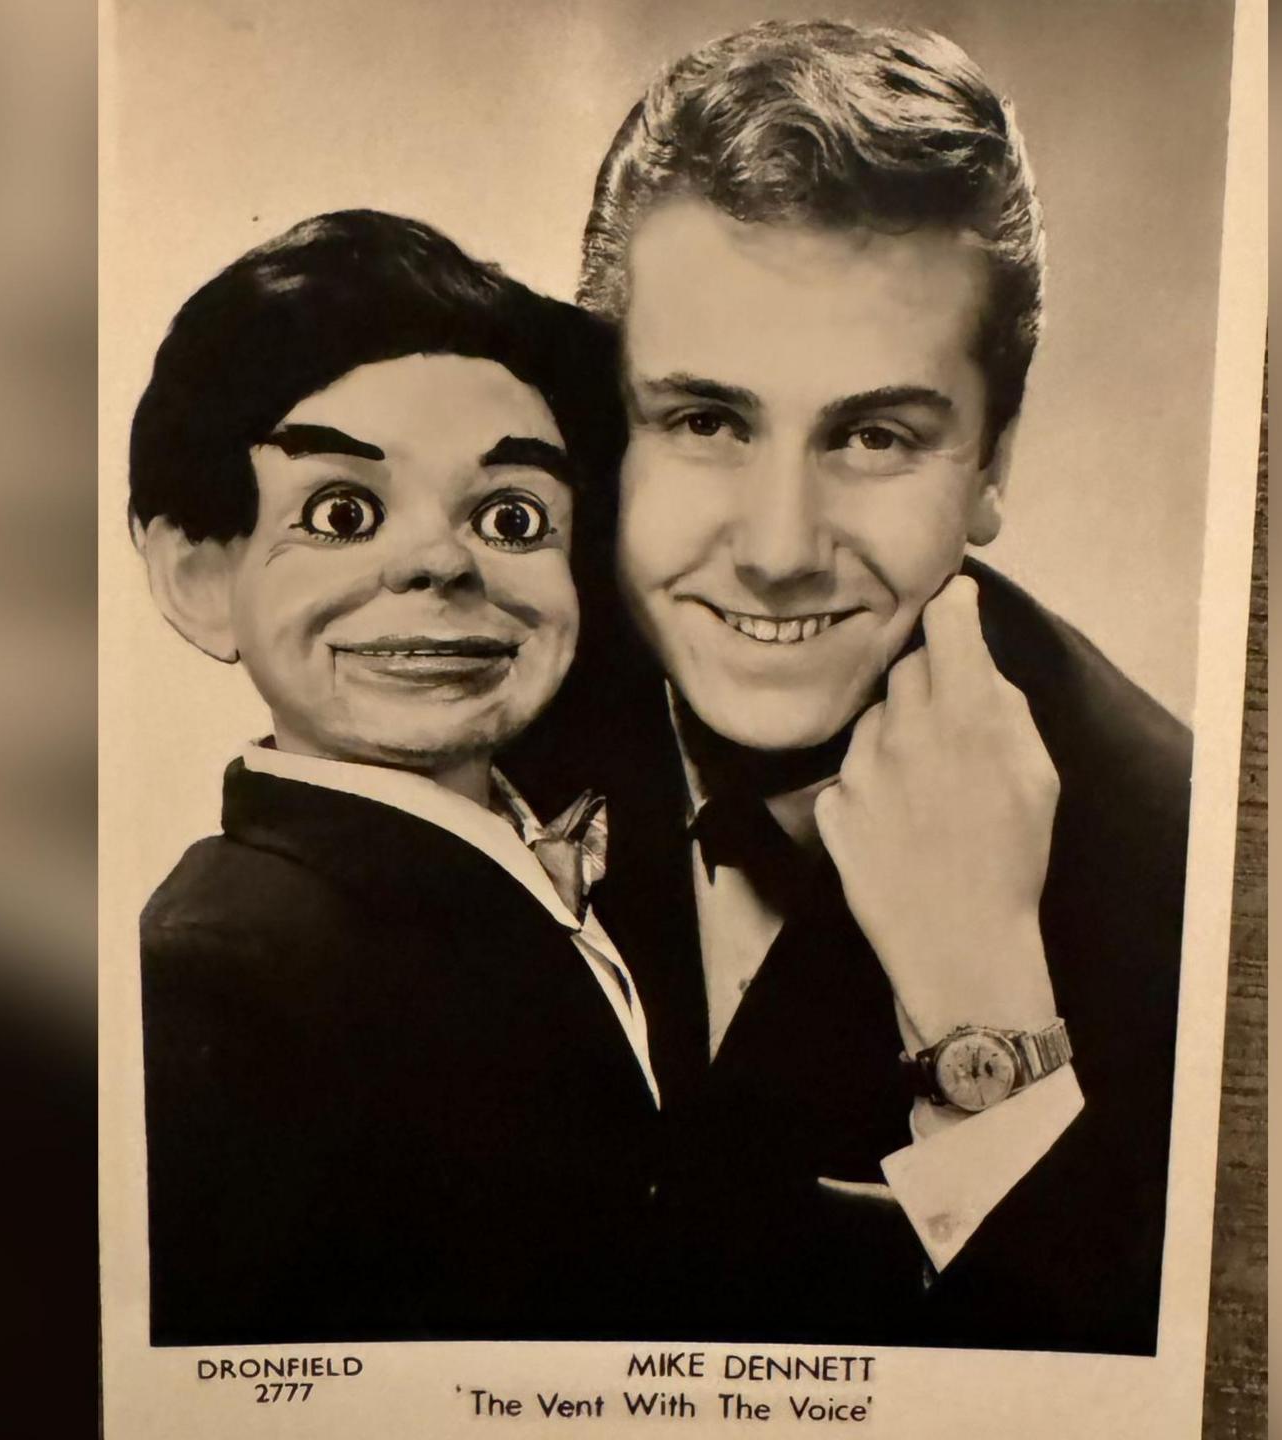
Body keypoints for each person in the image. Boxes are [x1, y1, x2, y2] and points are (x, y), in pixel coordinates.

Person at [506, 19, 1194, 1354]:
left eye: (876, 435)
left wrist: (980, 1010)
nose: (776, 551)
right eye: (704, 421)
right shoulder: (488, 693)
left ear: (994, 461)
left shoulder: (1175, 860)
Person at [128, 210, 656, 1343]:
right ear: (198, 578)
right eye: (342, 513)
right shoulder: (220, 979)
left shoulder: (549, 867)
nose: (438, 560)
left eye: (513, 516)